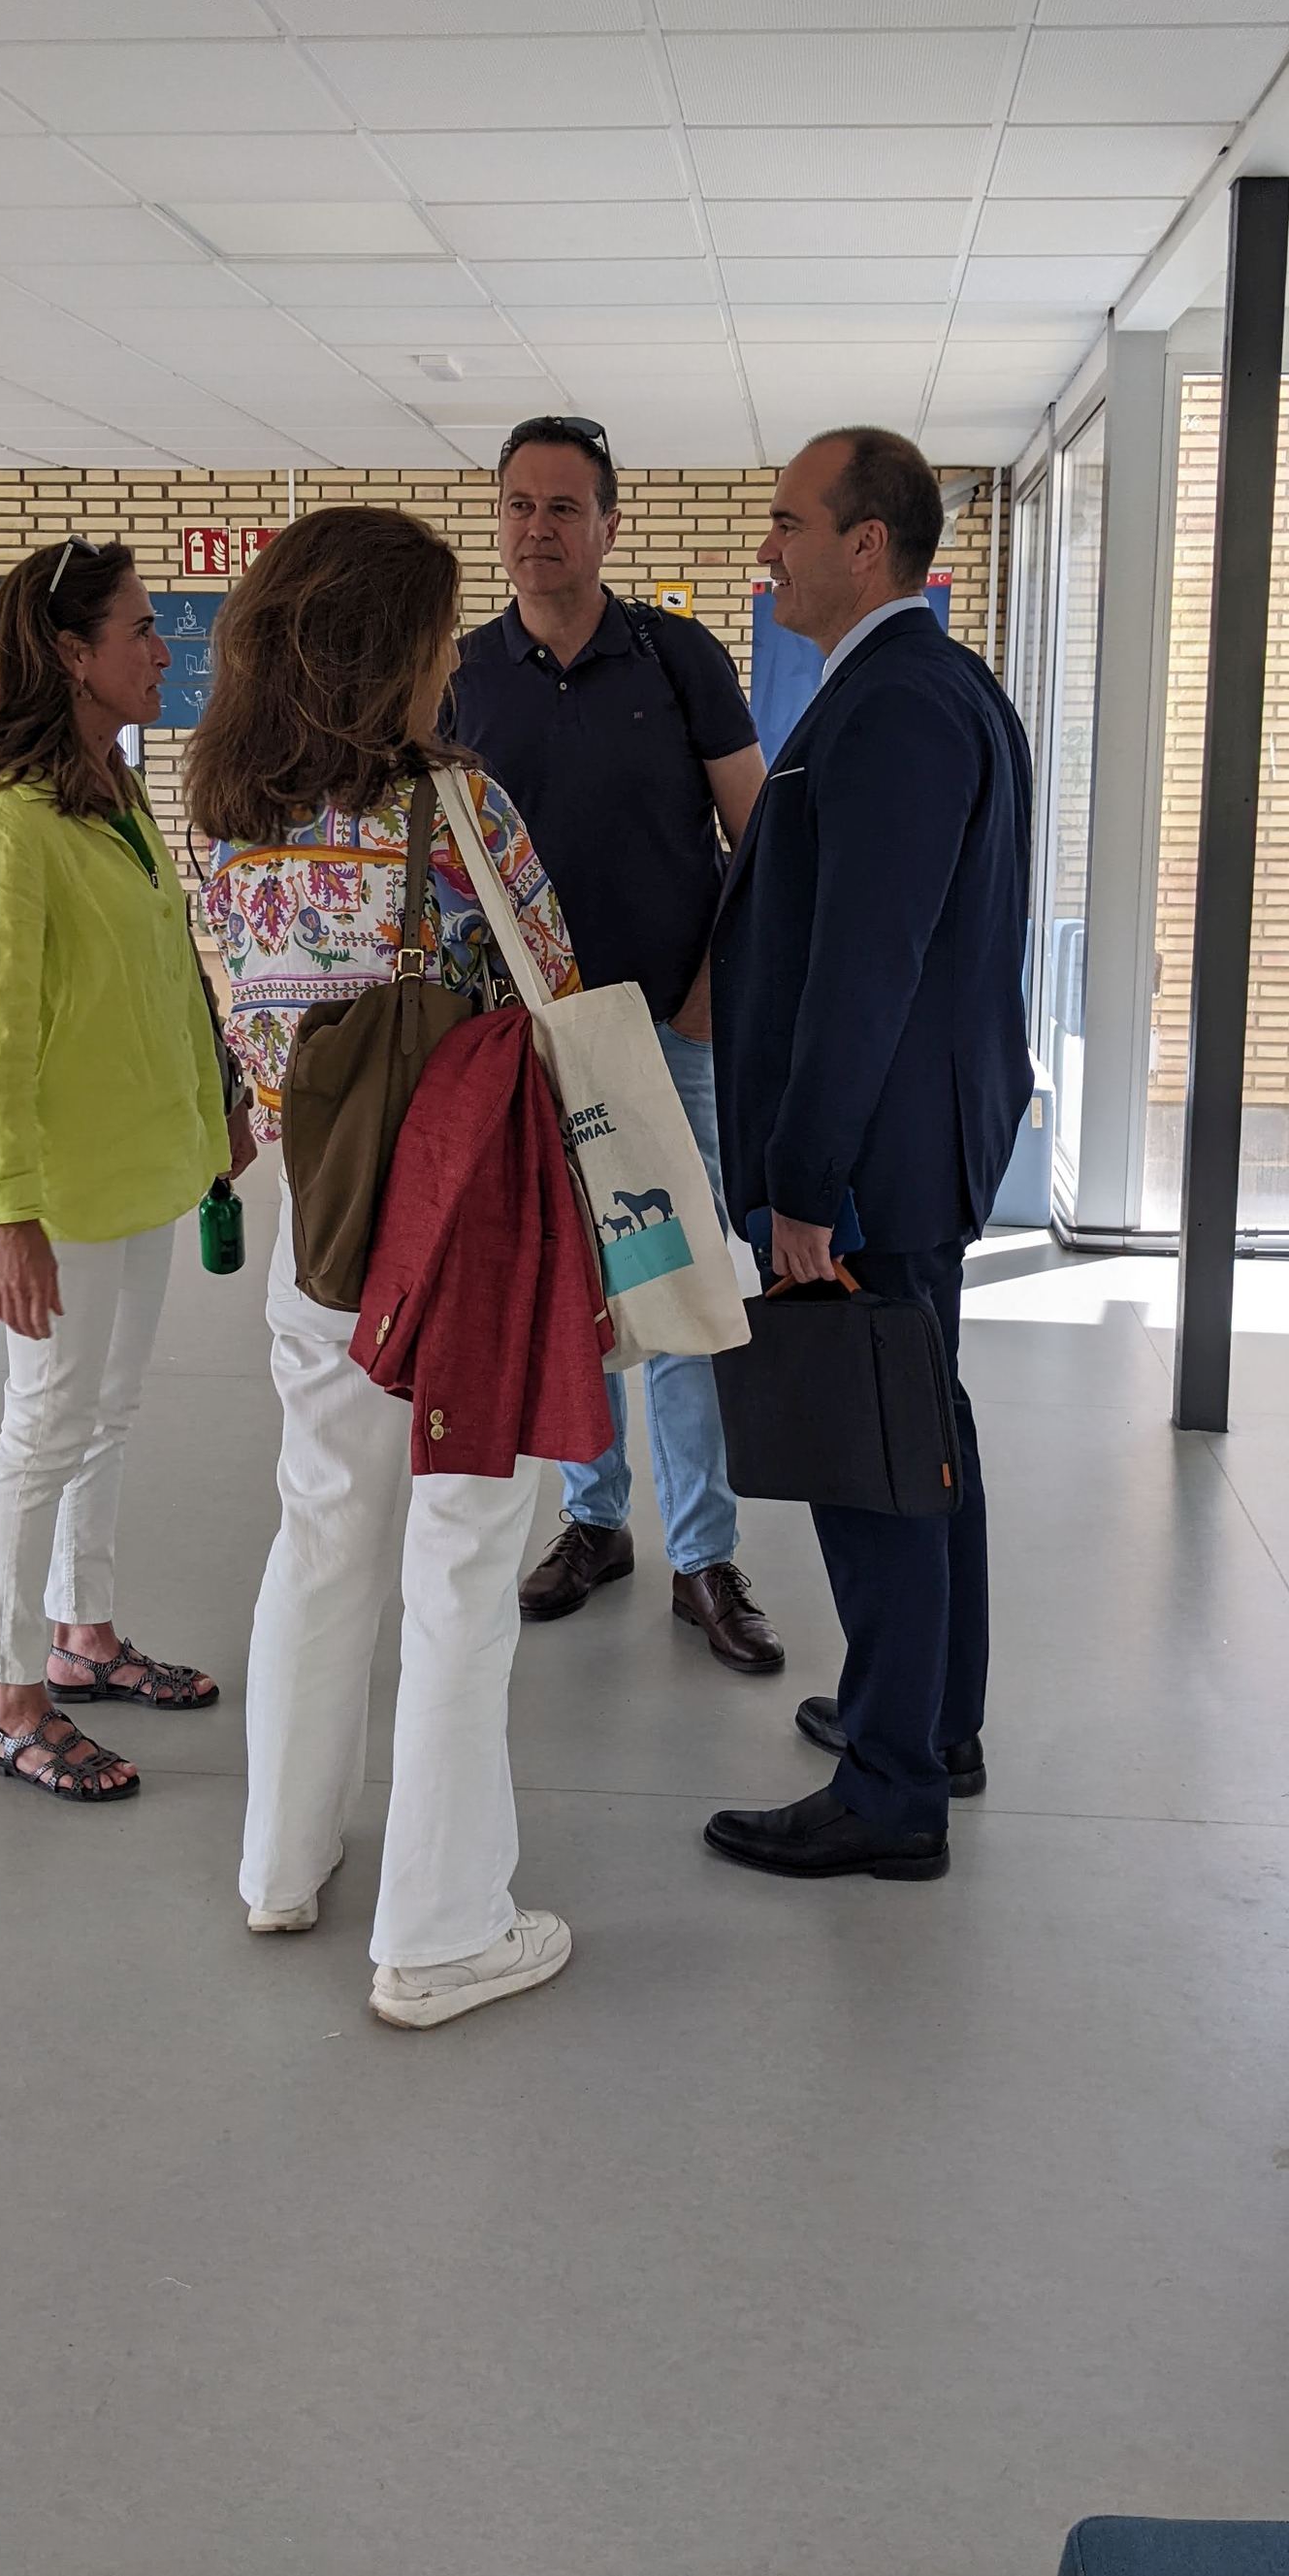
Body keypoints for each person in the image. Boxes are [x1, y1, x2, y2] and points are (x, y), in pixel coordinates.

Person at [191, 505, 582, 2030]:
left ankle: (281, 1865)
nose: (450, 664)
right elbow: (556, 1001)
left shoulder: (225, 824)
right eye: (435, 635)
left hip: (321, 1235)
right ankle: (438, 1932)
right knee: (464, 1563)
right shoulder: (461, 812)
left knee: (321, 1533)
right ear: (389, 650)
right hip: (463, 1239)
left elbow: (251, 1041)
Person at [703, 430, 1033, 1882]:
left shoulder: (895, 703)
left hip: (872, 1164)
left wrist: (804, 1183)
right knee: (923, 1433)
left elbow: (865, 967)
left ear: (866, 544)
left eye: (787, 523)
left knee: (876, 1461)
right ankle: (930, 1720)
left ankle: (893, 1791)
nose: (765, 550)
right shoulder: (925, 685)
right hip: (908, 1146)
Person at [450, 414, 783, 1677]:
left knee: (676, 1284)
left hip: (667, 1034)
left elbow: (759, 841)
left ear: (607, 526)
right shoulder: (464, 675)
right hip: (528, 1042)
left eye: (563, 508)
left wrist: (707, 1000)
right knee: (572, 1287)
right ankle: (596, 1523)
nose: (537, 529)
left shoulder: (676, 656)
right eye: (518, 505)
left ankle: (705, 1555)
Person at [0, 536, 248, 1806]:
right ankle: (10, 1699)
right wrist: (9, 1211)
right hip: (63, 1186)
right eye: (139, 627)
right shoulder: (13, 825)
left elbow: (171, 976)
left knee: (105, 1416)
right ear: (73, 655)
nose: (162, 648)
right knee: (42, 1430)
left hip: (144, 1165)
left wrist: (216, 1109)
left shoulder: (116, 799)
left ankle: (84, 1633)